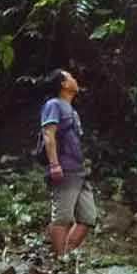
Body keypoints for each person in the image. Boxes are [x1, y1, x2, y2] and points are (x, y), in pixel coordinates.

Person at [40, 69, 96, 256]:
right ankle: (60, 260)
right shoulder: (53, 105)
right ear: (63, 84)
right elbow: (49, 134)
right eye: (70, 77)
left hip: (79, 170)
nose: (75, 79)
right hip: (64, 168)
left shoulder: (72, 110)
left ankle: (66, 253)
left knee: (88, 217)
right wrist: (54, 164)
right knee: (63, 217)